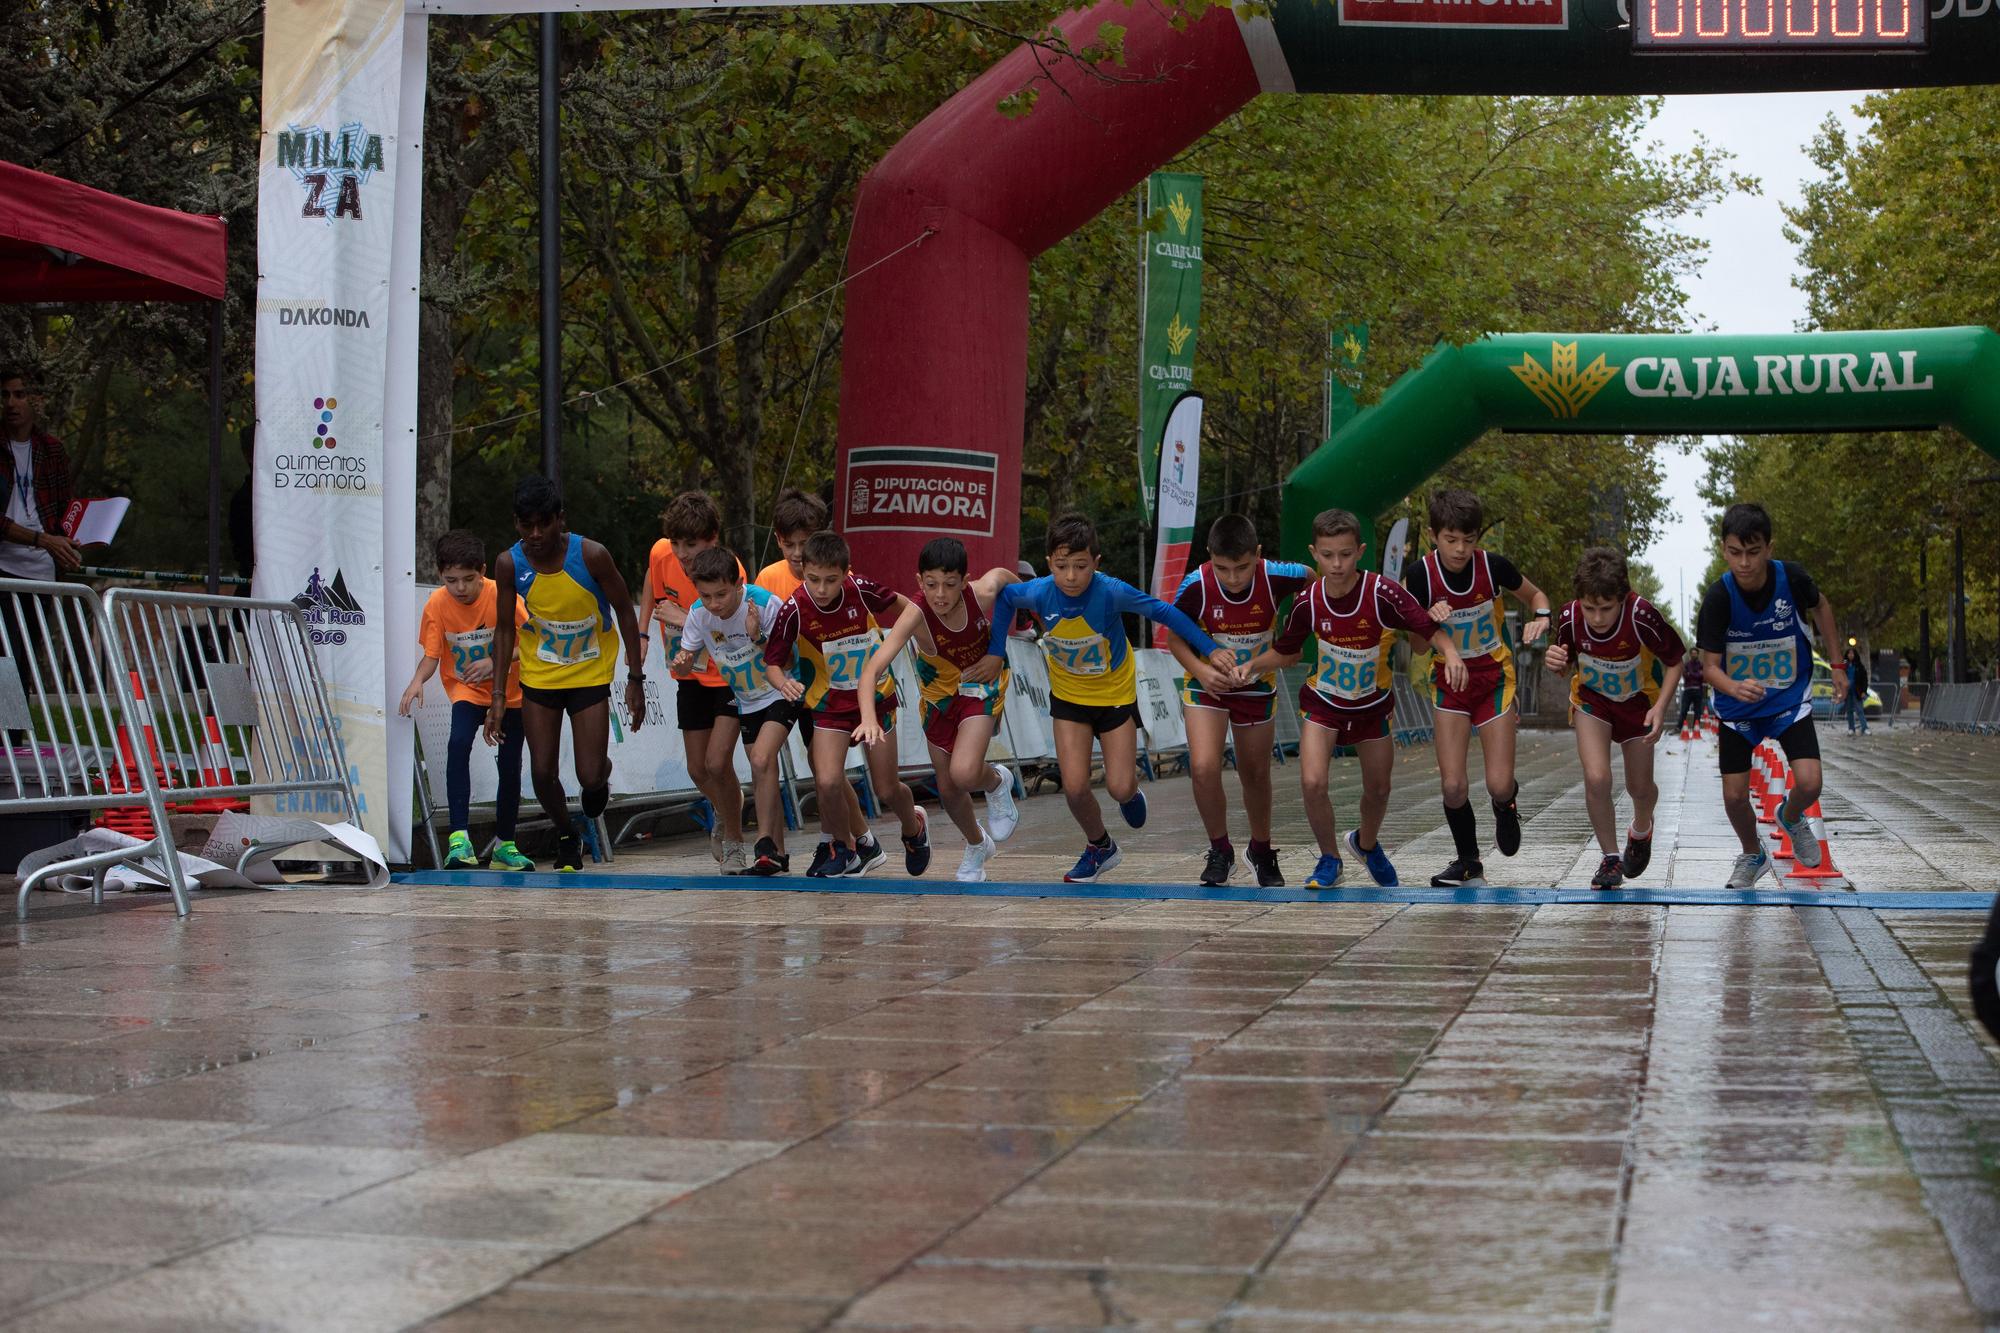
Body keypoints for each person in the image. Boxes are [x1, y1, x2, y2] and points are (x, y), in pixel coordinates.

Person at [970, 513, 1238, 884]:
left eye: (1081, 566)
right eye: (1062, 566)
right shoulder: (1039, 591)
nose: (1071, 576)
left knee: (1119, 786)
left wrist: (1209, 647)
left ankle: (1130, 794)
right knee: (1076, 787)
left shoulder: (1111, 591)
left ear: (1096, 563)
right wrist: (996, 650)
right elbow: (1006, 598)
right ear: (1049, 563)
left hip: (1114, 698)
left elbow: (1163, 612)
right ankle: (1100, 846)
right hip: (1069, 697)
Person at [1244, 508, 1465, 890]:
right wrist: (1249, 666)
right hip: (1323, 703)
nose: (1337, 564)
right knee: (1312, 782)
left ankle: (1365, 844)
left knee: (1379, 789)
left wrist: (1453, 654)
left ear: (1360, 550)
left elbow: (1427, 629)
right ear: (1314, 552)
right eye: (1328, 555)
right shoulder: (1308, 602)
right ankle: (1329, 858)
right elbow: (1288, 652)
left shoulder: (1383, 593)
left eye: (1345, 554)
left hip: (1371, 707)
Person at [488, 474, 647, 873]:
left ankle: (602, 779)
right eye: (527, 526)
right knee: (542, 771)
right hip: (540, 675)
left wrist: (635, 677)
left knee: (589, 774)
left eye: (545, 523)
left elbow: (626, 611)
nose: (536, 534)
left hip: (590, 672)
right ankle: (566, 833)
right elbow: (505, 628)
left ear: (562, 519)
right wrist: (496, 696)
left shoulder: (592, 555)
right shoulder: (509, 563)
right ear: (517, 523)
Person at [1402, 488, 1553, 887]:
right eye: (1451, 540)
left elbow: (1536, 595)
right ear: (1434, 535)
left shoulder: (1493, 567)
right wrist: (1428, 621)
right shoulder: (1419, 576)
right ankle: (1468, 862)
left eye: (1468, 540)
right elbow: (1416, 645)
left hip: (1493, 681)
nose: (1460, 549)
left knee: (1498, 782)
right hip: (1450, 683)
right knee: (1452, 784)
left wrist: (1541, 616)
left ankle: (1506, 803)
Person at [761, 529, 930, 879]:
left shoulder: (861, 589)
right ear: (802, 571)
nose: (821, 589)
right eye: (813, 579)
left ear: (846, 572)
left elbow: (904, 604)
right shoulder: (794, 608)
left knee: (886, 787)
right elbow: (772, 662)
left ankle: (912, 827)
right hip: (829, 704)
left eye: (831, 580)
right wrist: (784, 683)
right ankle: (844, 847)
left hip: (877, 698)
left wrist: (919, 639)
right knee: (826, 781)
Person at [854, 538, 1020, 882]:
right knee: (948, 789)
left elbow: (1008, 580)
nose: (940, 594)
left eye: (949, 585)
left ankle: (996, 781)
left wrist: (1010, 633)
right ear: (919, 582)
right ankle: (977, 844)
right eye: (931, 585)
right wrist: (868, 718)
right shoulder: (915, 615)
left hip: (980, 687)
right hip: (938, 699)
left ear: (964, 581)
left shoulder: (982, 591)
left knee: (964, 772)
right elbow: (871, 670)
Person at [1696, 502, 1841, 889]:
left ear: (1769, 548)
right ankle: (1751, 853)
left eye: (1753, 552)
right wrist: (1734, 686)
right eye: (1735, 552)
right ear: (1724, 550)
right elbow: (1709, 667)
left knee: (1810, 783)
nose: (1744, 562)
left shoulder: (1791, 579)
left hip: (1787, 700)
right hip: (1737, 707)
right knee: (1734, 796)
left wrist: (1838, 665)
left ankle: (1791, 817)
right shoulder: (1719, 598)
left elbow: (1822, 606)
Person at [1166, 512, 1313, 887]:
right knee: (1202, 766)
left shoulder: (1278, 575)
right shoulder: (1195, 585)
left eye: (1242, 568)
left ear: (1258, 556)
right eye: (1223, 568)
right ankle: (1220, 850)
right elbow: (1174, 638)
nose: (1232, 578)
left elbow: (1315, 581)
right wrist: (1201, 672)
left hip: (1256, 685)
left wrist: (1294, 637)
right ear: (1209, 556)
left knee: (1256, 772)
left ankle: (1261, 850)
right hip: (1208, 686)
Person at [1542, 548, 1685, 890]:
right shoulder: (1568, 617)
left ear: (1623, 598)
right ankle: (1609, 858)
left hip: (1637, 704)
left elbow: (1675, 661)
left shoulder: (1642, 615)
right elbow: (1565, 664)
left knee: (1640, 787)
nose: (1597, 618)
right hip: (1593, 702)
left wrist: (1660, 708)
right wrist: (1556, 662)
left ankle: (1641, 827)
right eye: (1589, 608)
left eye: (1606, 609)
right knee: (1597, 777)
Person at [398, 530, 535, 871]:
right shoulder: (437, 605)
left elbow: (531, 644)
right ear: (440, 576)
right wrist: (416, 682)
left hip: (511, 693)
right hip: (467, 691)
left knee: (510, 763)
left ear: (483, 571)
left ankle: (506, 843)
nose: (460, 588)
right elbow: (431, 655)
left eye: (468, 580)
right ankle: (459, 838)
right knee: (458, 743)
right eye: (451, 580)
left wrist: (495, 661)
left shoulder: (502, 596)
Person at [755, 485, 870, 876]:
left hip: (826, 691)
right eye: (790, 544)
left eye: (805, 543)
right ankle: (771, 849)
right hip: (787, 686)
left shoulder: (840, 577)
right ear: (778, 540)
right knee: (764, 755)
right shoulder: (768, 578)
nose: (798, 553)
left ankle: (856, 841)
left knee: (827, 774)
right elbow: (769, 643)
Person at [640, 492, 752, 871]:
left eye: (691, 544)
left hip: (728, 674)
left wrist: (681, 616)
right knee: (697, 769)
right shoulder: (661, 553)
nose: (682, 553)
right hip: (687, 673)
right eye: (676, 543)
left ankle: (735, 840)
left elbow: (728, 620)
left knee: (718, 763)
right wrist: (641, 635)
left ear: (713, 539)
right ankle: (726, 808)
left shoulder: (729, 568)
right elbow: (650, 584)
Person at [671, 545, 793, 876]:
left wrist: (758, 637)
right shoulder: (699, 614)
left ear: (739, 584)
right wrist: (681, 664)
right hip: (746, 698)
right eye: (706, 595)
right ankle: (777, 854)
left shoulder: (765, 604)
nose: (714, 604)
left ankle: (763, 843)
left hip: (782, 691)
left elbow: (792, 660)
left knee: (760, 760)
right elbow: (684, 667)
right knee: (758, 769)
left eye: (721, 594)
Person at [0, 367, 82, 580]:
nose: (10, 403)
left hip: (43, 572)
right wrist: (43, 540)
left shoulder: (51, 449)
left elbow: (65, 510)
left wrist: (75, 541)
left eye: (20, 395)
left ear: (37, 400)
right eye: (5, 395)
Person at [1673, 654, 1706, 735]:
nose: (1694, 655)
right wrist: (1696, 674)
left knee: (1698, 711)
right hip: (1688, 690)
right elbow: (1685, 675)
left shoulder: (1701, 665)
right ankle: (1678, 728)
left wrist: (1691, 674)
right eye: (1693, 653)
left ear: (1698, 654)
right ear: (1691, 654)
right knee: (1684, 710)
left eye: (1695, 653)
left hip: (1698, 690)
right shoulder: (1687, 664)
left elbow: (1703, 676)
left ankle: (1696, 729)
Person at [1842, 646, 1871, 735]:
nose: (1850, 655)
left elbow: (1864, 680)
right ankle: (1851, 728)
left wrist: (1863, 691)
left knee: (1859, 710)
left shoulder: (1859, 666)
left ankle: (1864, 728)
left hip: (1857, 691)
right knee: (1849, 711)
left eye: (1852, 653)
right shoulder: (1844, 665)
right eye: (1849, 653)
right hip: (1847, 691)